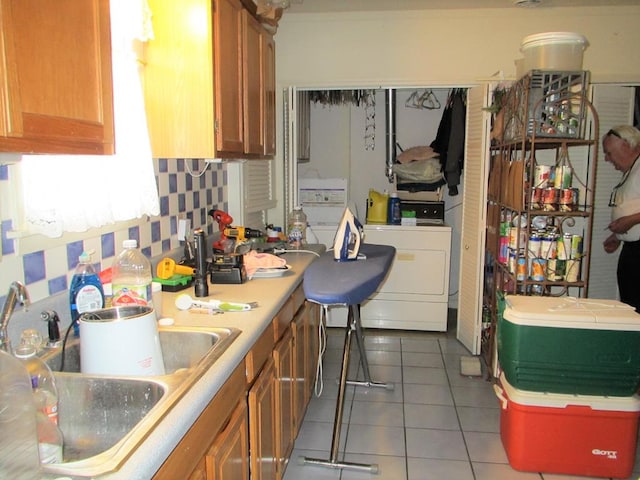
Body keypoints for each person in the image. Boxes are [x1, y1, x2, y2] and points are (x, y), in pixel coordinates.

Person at [602, 125, 640, 312]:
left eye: (609, 153)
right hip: (631, 250)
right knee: (630, 307)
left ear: (626, 145)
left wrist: (630, 221)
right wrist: (617, 236)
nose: (607, 159)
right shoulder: (632, 171)